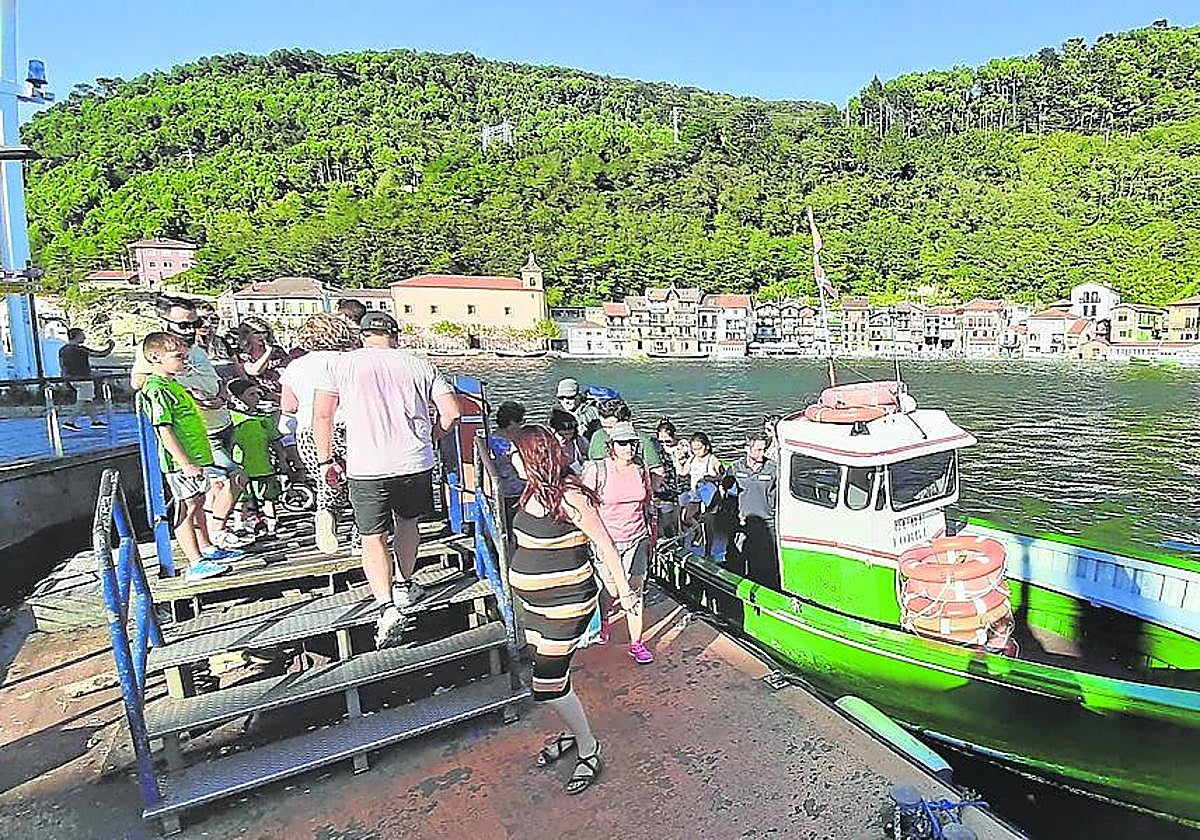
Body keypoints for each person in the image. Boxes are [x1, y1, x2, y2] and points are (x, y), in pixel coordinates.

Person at [312, 311, 461, 648]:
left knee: (372, 535)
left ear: (362, 335)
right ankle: (405, 585)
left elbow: (322, 415)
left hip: (366, 465)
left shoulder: (339, 365)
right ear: (395, 335)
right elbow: (452, 412)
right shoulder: (419, 364)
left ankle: (386, 606)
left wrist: (325, 461)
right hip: (414, 460)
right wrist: (434, 436)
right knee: (408, 524)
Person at [508, 425, 638, 794]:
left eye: (516, 452)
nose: (510, 458)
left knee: (546, 684)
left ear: (532, 457)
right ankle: (571, 729)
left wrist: (626, 594)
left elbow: (606, 547)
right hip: (535, 606)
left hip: (566, 605)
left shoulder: (570, 497)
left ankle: (589, 748)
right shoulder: (533, 491)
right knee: (555, 676)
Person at [132, 297, 249, 551]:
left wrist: (222, 395)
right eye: (184, 325)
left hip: (220, 423)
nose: (192, 329)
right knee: (230, 478)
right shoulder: (156, 356)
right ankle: (210, 540)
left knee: (204, 493)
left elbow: (213, 378)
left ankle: (208, 543)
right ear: (165, 322)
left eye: (195, 323)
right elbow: (140, 385)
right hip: (197, 436)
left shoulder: (192, 349)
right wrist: (190, 395)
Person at [137, 332, 238, 582]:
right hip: (182, 462)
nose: (184, 362)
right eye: (178, 357)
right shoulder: (157, 388)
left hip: (197, 455)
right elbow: (164, 428)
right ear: (156, 358)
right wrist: (185, 462)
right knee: (188, 505)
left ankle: (206, 547)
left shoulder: (173, 384)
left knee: (199, 502)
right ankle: (195, 562)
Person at [281, 314, 359, 554]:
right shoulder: (350, 361)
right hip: (350, 426)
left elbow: (288, 405)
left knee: (326, 480)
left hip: (308, 430)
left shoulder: (296, 366)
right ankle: (360, 539)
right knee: (360, 484)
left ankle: (326, 512)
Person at [581, 421, 653, 664]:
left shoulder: (641, 469)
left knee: (634, 591)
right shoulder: (597, 470)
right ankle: (604, 620)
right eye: (623, 443)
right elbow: (584, 505)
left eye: (633, 443)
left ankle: (636, 643)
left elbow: (647, 501)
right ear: (612, 446)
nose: (629, 448)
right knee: (612, 589)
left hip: (637, 537)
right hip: (606, 540)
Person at [227, 378, 292, 537]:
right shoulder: (231, 418)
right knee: (242, 498)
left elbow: (275, 441)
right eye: (251, 394)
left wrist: (282, 460)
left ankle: (272, 524)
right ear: (236, 398)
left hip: (263, 466)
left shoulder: (264, 418)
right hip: (241, 468)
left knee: (269, 497)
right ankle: (239, 525)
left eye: (258, 393)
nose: (256, 397)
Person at [725, 433, 780, 587]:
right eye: (758, 450)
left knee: (766, 567)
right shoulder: (735, 468)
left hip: (767, 524)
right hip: (743, 523)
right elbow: (725, 490)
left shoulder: (773, 469)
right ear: (747, 449)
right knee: (738, 562)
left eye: (764, 449)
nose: (762, 454)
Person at [587, 399, 665, 487]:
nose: (608, 432)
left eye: (611, 426)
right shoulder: (598, 436)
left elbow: (657, 470)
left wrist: (650, 492)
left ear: (626, 421)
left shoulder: (642, 440)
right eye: (604, 426)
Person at [58, 327, 115, 431]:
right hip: (84, 378)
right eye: (82, 335)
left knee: (88, 399)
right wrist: (111, 346)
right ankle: (70, 421)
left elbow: (62, 366)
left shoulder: (63, 350)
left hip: (71, 378)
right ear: (77, 336)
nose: (84, 337)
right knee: (82, 399)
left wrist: (65, 379)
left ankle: (95, 421)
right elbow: (101, 354)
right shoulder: (81, 350)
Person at [489, 401, 526, 534]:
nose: (521, 426)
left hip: (498, 493)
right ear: (511, 423)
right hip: (514, 492)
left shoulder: (490, 439)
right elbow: (522, 473)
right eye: (519, 422)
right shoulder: (509, 446)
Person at [235, 318, 289, 396]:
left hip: (282, 392)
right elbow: (254, 371)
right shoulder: (241, 354)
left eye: (264, 332)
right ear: (246, 335)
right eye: (257, 333)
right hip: (258, 394)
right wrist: (268, 352)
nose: (262, 336)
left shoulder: (278, 351)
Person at [193, 301, 235, 375]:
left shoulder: (222, 342)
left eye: (213, 319)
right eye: (202, 319)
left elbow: (236, 368)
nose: (208, 324)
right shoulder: (183, 347)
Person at [548, 408, 587, 473]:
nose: (564, 437)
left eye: (569, 434)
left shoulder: (580, 442)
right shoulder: (547, 446)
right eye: (560, 434)